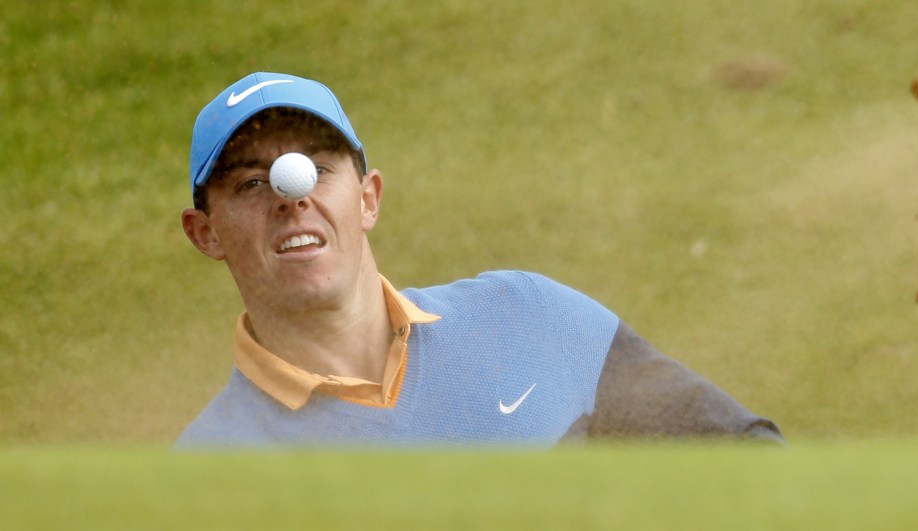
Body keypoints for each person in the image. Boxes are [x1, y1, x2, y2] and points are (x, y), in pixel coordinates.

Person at [177, 72, 783, 447]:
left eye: (317, 167)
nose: (293, 197)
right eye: (252, 184)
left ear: (367, 199)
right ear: (205, 233)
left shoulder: (528, 317)